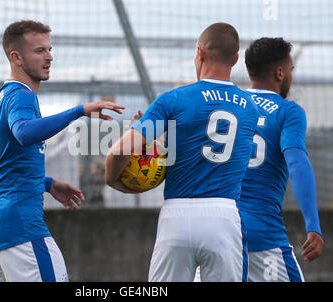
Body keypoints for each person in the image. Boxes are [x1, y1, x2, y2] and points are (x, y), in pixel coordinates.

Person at [0, 20, 124, 282]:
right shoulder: (21, 95)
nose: (50, 56)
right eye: (39, 51)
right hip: (21, 229)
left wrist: (47, 183)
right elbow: (25, 132)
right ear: (16, 57)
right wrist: (79, 111)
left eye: (50, 49)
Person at [105, 23, 258, 282]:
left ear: (199, 52)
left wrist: (114, 180)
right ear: (235, 58)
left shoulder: (173, 100)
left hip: (176, 215)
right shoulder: (250, 109)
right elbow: (209, 141)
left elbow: (120, 150)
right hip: (223, 216)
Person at [237, 37, 323, 281]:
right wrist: (313, 225)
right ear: (279, 72)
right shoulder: (288, 112)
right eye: (291, 70)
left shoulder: (230, 105)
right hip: (262, 236)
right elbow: (297, 163)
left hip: (218, 232)